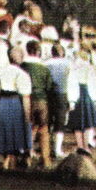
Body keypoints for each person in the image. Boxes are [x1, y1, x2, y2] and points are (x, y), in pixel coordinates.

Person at [0, 45, 33, 170]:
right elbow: (25, 97)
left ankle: (6, 161)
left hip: (2, 103)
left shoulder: (0, 72)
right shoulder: (22, 74)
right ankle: (12, 161)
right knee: (15, 132)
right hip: (15, 103)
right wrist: (27, 115)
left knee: (4, 131)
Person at [22, 40, 55, 169]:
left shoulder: (23, 66)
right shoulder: (44, 68)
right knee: (44, 129)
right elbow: (49, 86)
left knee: (30, 129)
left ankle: (27, 157)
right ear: (38, 52)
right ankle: (46, 159)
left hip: (27, 100)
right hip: (42, 100)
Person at [66, 46, 96, 152]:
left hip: (76, 96)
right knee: (88, 124)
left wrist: (71, 100)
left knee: (77, 124)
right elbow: (93, 85)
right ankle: (86, 147)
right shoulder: (90, 67)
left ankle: (80, 146)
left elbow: (71, 84)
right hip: (87, 96)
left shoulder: (73, 68)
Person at [45, 36, 72, 159]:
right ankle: (57, 149)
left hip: (49, 93)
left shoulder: (46, 63)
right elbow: (72, 81)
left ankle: (47, 147)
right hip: (62, 93)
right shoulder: (68, 63)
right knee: (60, 121)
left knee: (48, 120)